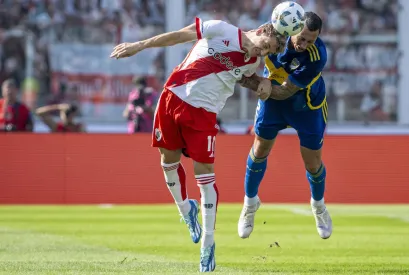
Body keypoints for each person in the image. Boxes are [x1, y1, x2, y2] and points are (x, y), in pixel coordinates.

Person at [110, 17, 286, 272]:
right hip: (172, 96)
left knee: (205, 176)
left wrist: (263, 82)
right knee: (167, 162)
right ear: (259, 31)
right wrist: (139, 45)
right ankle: (185, 210)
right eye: (264, 44)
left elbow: (242, 78)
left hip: (203, 114)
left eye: (268, 51)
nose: (263, 51)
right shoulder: (221, 29)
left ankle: (208, 245)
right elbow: (179, 36)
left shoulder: (252, 63)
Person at [236, 12, 332, 240]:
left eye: (311, 40)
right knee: (259, 150)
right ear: (292, 29)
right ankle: (249, 204)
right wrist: (243, 74)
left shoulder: (318, 56)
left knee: (313, 163)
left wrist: (259, 84)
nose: (305, 45)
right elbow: (244, 55)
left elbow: (284, 91)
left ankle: (319, 207)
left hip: (306, 105)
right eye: (302, 38)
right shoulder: (271, 36)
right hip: (273, 102)